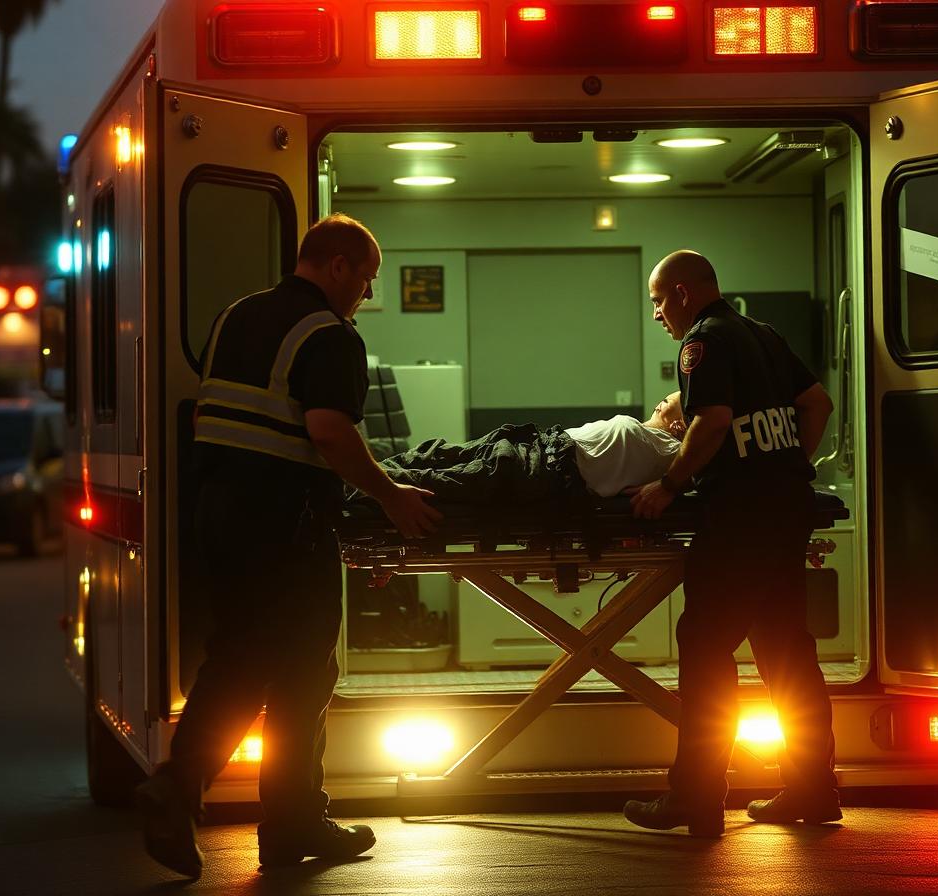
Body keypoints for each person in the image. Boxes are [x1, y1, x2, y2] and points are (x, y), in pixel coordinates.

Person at [135, 214, 441, 878]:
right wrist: (390, 497)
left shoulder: (235, 317)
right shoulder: (328, 336)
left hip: (219, 516)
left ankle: (284, 816)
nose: (365, 294)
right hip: (283, 527)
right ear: (337, 266)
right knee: (297, 675)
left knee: (243, 659)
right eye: (365, 279)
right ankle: (213, 797)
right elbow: (328, 432)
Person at [623, 250, 838, 838]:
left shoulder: (703, 342)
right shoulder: (762, 334)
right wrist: (789, 465)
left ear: (684, 294)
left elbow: (712, 420)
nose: (658, 316)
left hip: (738, 518)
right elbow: (817, 403)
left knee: (705, 647)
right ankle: (814, 789)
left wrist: (668, 484)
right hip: (785, 511)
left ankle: (694, 797)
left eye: (658, 302)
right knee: (787, 651)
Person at [373, 392, 687, 504]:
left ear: (680, 426)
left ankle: (365, 488)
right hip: (538, 445)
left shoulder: (672, 452)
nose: (663, 401)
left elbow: (695, 463)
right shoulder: (652, 438)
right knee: (438, 452)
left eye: (671, 402)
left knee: (446, 477)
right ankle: (368, 473)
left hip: (547, 473)